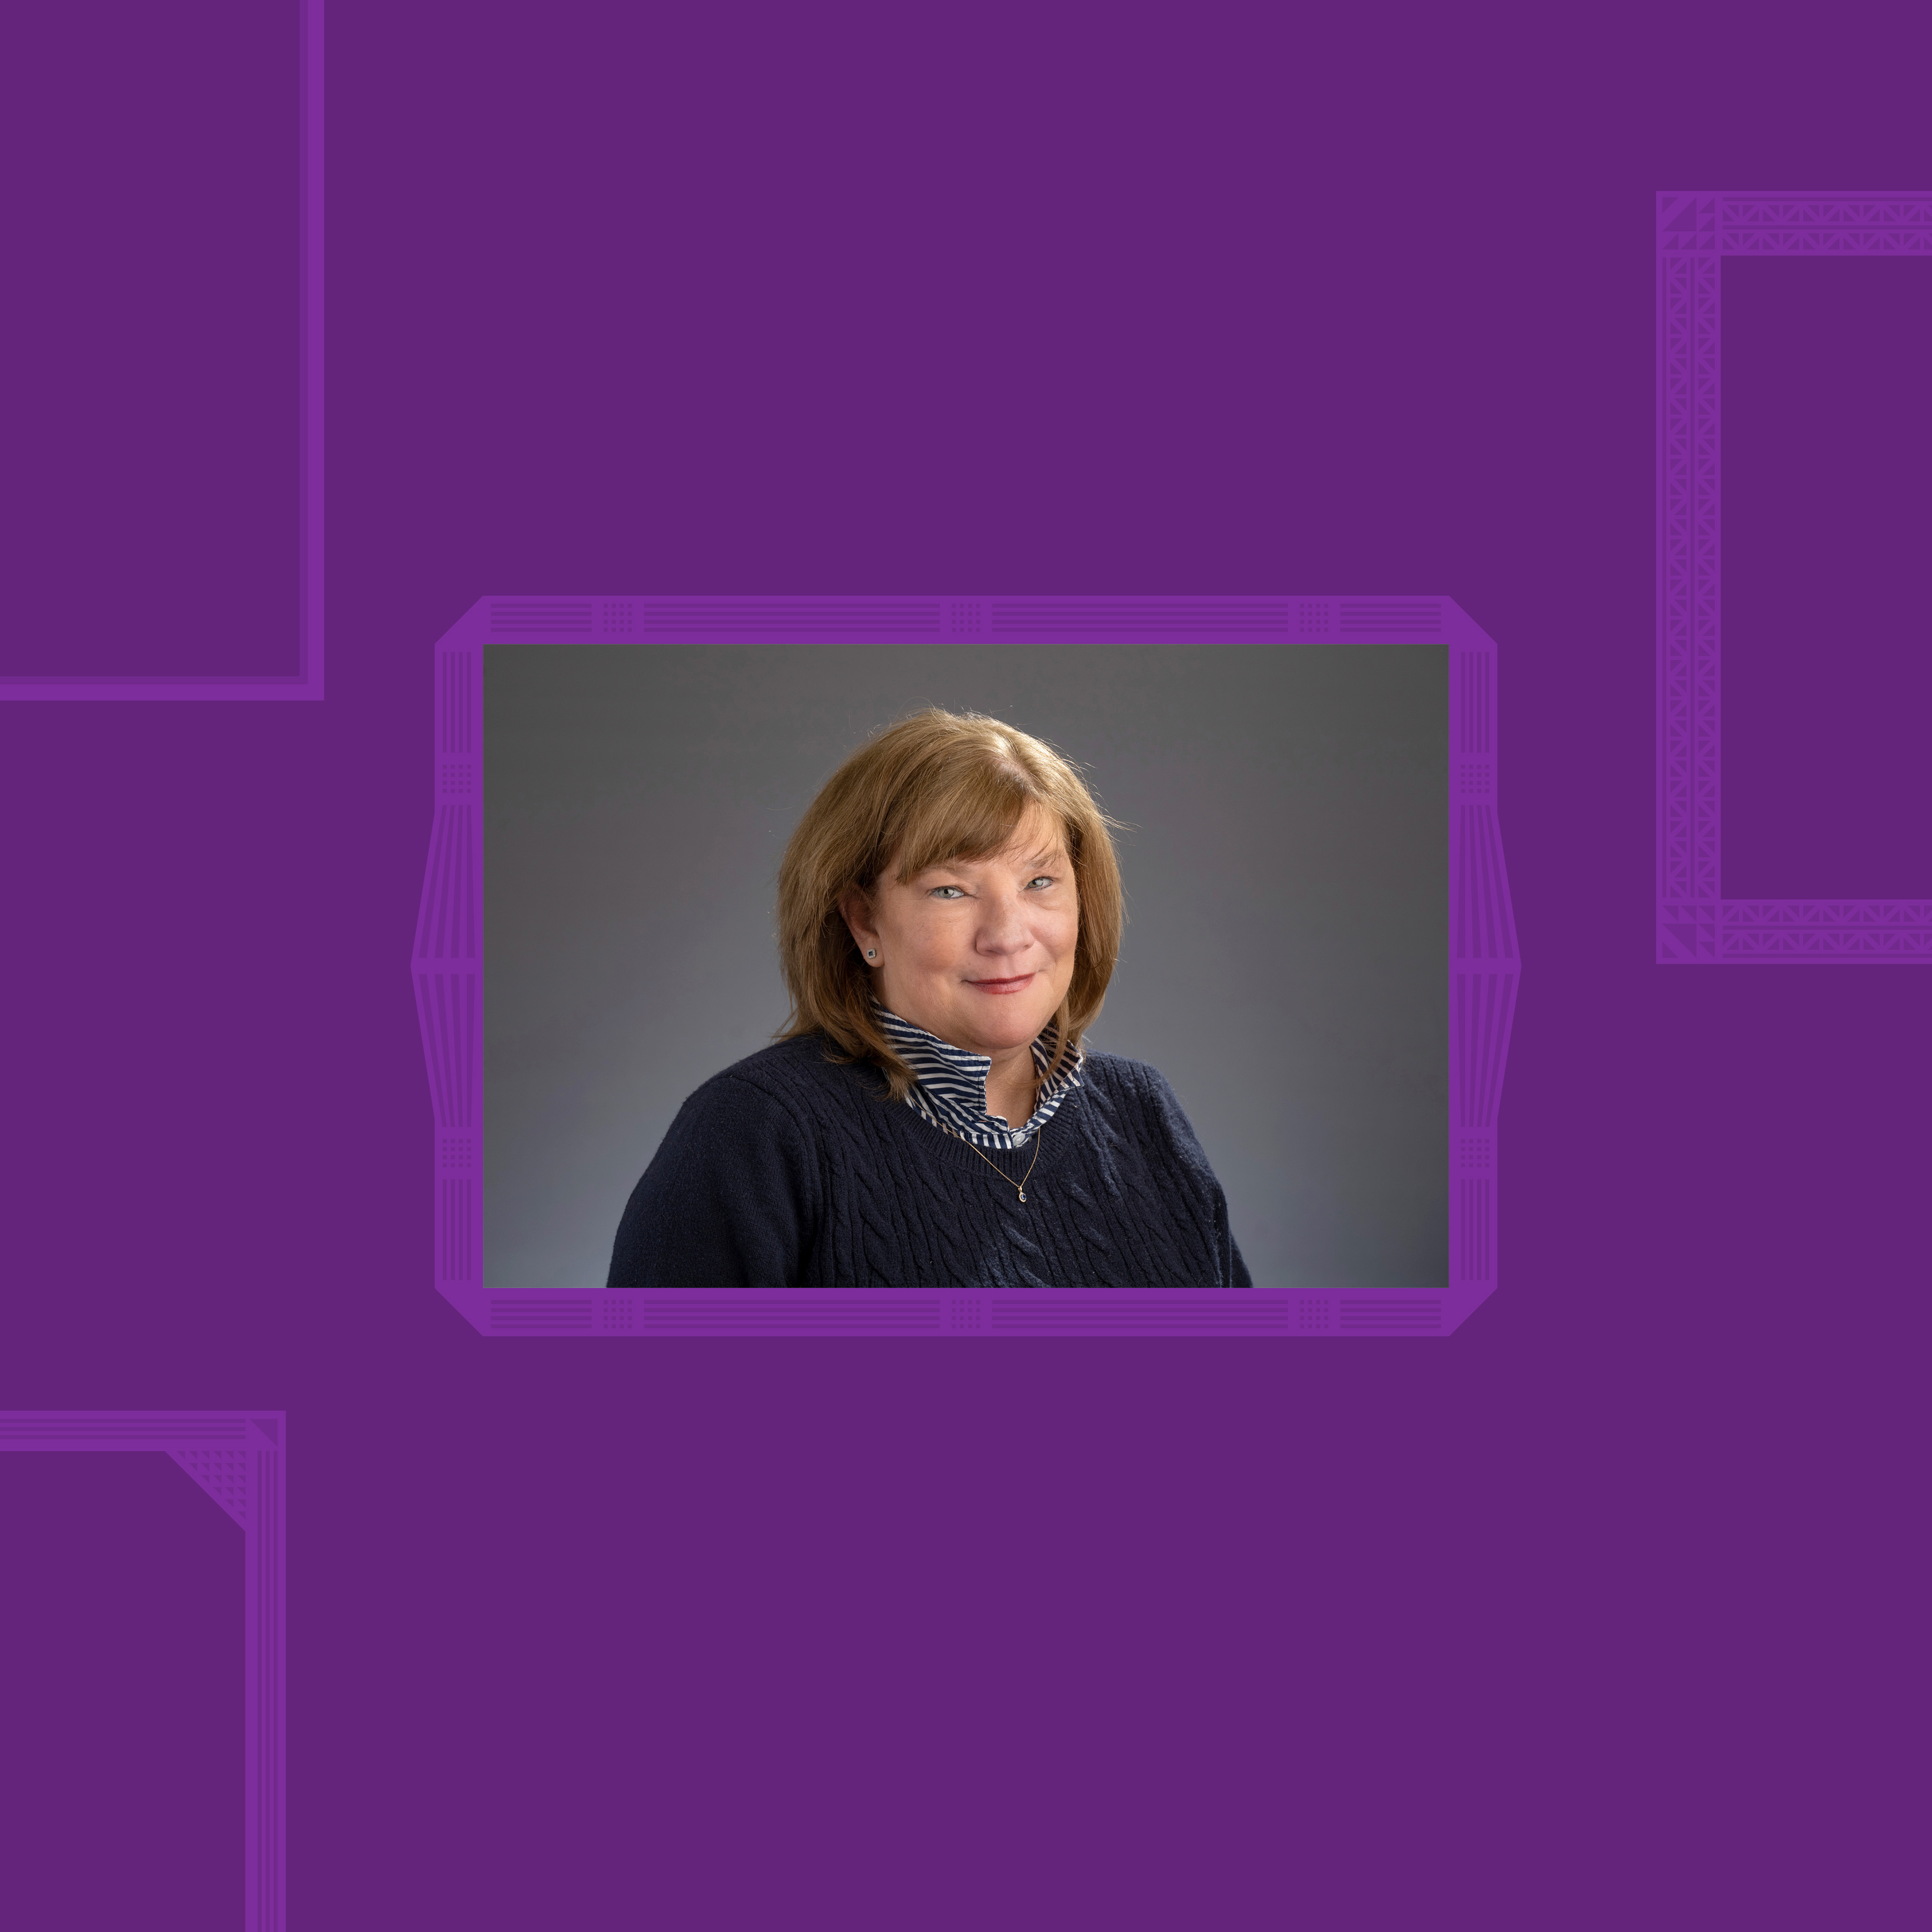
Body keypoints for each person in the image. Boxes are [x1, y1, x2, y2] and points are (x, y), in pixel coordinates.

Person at [606, 707, 1252, 1287]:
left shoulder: (1143, 1113)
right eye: (951, 890)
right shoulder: (756, 1132)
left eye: (1040, 882)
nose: (1007, 935)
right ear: (864, 922)